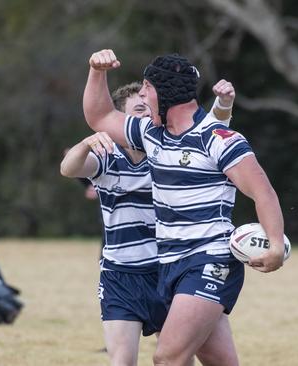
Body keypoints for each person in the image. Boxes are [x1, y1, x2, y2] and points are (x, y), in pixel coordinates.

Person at [83, 49, 285, 366]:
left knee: (167, 358)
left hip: (209, 260)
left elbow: (264, 193)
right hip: (171, 265)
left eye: (147, 90)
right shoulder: (151, 134)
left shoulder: (218, 138)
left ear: (164, 94)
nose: (142, 98)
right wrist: (97, 71)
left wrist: (274, 245)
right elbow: (99, 117)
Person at [61, 79, 236, 366]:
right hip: (121, 274)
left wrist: (223, 105)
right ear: (120, 120)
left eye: (148, 107)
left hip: (169, 271)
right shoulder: (108, 157)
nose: (146, 113)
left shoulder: (165, 150)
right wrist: (84, 144)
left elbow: (208, 136)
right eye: (138, 109)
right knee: (123, 361)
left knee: (179, 358)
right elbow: (69, 169)